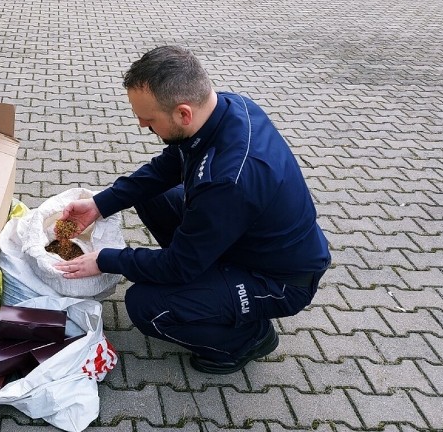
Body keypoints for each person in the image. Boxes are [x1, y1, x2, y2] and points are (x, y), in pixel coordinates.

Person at [54, 45, 331, 374]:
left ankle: (248, 338)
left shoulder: (228, 181)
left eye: (149, 118)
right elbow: (164, 169)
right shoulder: (226, 108)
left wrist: (104, 260)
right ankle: (210, 286)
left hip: (277, 279)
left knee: (146, 305)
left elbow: (179, 266)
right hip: (242, 237)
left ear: (183, 113)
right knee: (150, 194)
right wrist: (100, 204)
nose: (142, 124)